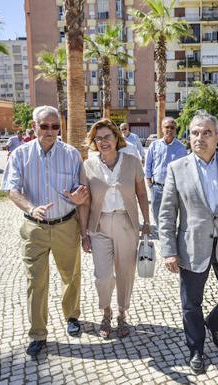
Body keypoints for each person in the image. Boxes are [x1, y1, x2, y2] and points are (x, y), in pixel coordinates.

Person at [159, 111, 218, 375]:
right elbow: (167, 213)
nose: (199, 137)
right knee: (191, 303)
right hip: (191, 246)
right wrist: (169, 251)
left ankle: (214, 323)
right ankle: (196, 348)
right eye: (195, 132)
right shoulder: (177, 168)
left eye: (206, 132)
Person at [0, 105, 89, 357]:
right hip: (34, 228)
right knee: (35, 281)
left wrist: (78, 196)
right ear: (34, 126)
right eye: (44, 126)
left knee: (70, 275)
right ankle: (38, 333)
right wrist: (31, 207)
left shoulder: (72, 155)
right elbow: (11, 190)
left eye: (55, 126)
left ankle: (72, 316)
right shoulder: (19, 155)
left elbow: (82, 191)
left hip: (66, 225)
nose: (50, 131)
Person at [78, 118, 151, 340]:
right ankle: (106, 312)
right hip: (99, 226)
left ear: (116, 138)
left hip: (126, 224)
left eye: (107, 137)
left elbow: (141, 194)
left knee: (125, 273)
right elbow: (85, 202)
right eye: (98, 138)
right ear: (93, 142)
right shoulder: (88, 166)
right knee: (102, 276)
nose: (103, 142)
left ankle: (121, 314)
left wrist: (146, 223)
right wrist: (84, 234)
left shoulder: (132, 161)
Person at [145, 117, 188, 230]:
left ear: (175, 129)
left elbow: (184, 170)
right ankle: (161, 232)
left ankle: (169, 234)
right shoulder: (154, 145)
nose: (169, 129)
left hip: (173, 188)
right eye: (167, 127)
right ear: (162, 128)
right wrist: (149, 182)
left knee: (171, 214)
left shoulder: (181, 149)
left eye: (172, 127)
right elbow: (148, 163)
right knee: (156, 212)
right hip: (157, 187)